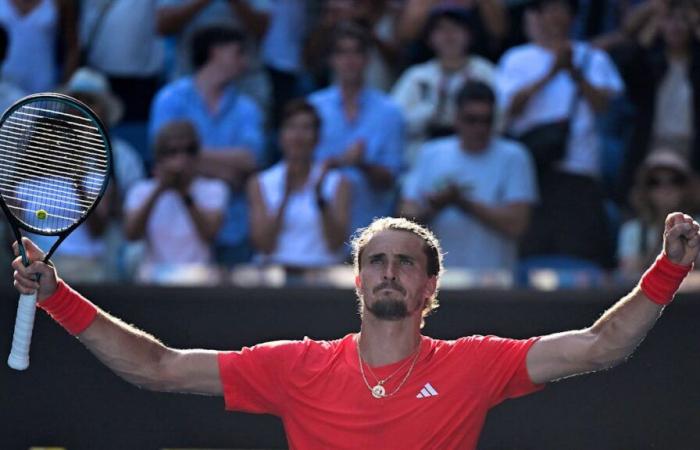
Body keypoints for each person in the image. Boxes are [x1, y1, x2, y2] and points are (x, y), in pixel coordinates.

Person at [11, 211, 700, 448]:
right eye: (376, 261)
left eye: (405, 262)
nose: (390, 271)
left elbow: (604, 346)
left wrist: (667, 272)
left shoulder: (475, 365)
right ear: (358, 280)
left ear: (429, 287)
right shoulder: (295, 367)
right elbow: (156, 367)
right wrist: (57, 296)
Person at [496, 0, 624, 269]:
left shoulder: (592, 57)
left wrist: (575, 74)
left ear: (572, 17)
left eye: (562, 9)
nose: (555, 16)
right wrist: (551, 72)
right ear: (538, 15)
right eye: (549, 9)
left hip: (579, 167)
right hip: (532, 168)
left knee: (581, 253)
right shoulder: (516, 58)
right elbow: (510, 108)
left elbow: (603, 106)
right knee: (533, 254)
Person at [149, 24, 265, 267]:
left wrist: (190, 157)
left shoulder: (247, 107)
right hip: (180, 229)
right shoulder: (170, 99)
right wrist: (227, 172)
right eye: (238, 53)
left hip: (234, 228)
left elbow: (250, 159)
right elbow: (163, 155)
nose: (244, 62)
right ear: (216, 52)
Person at [399, 81, 537, 274]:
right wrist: (434, 207)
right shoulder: (430, 153)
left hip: (494, 280)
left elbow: (517, 225)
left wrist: (463, 202)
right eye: (471, 120)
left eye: (486, 120)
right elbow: (405, 217)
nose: (479, 128)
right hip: (437, 281)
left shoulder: (514, 157)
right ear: (456, 118)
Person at [308, 21, 405, 238]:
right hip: (318, 228)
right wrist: (340, 161)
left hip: (371, 230)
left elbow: (390, 178)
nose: (349, 61)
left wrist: (361, 163)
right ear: (332, 60)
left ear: (367, 59)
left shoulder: (390, 112)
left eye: (356, 53)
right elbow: (301, 170)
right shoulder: (313, 107)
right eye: (342, 53)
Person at [247, 99, 351, 275]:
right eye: (291, 127)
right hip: (275, 274)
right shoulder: (260, 182)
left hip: (322, 274)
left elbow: (336, 243)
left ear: (317, 138)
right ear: (280, 136)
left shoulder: (338, 182)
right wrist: (285, 196)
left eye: (306, 128)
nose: (298, 136)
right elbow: (263, 245)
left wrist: (320, 199)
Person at [124, 120, 228, 281]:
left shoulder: (215, 189)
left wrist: (184, 193)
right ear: (159, 157)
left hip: (199, 279)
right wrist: (160, 189)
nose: (183, 158)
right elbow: (131, 234)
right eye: (173, 152)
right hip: (154, 279)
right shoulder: (141, 191)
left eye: (189, 150)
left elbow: (210, 234)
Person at [391, 6, 496, 164]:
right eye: (441, 29)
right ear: (430, 38)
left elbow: (501, 117)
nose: (449, 35)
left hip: (478, 151)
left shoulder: (484, 71)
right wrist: (433, 107)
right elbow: (395, 121)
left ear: (470, 35)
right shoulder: (417, 76)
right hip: (426, 151)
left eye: (456, 29)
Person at [618, 149, 700, 279]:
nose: (665, 188)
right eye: (655, 182)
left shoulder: (698, 226)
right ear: (645, 190)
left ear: (687, 188)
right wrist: (661, 235)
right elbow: (629, 277)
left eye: (675, 181)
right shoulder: (633, 231)